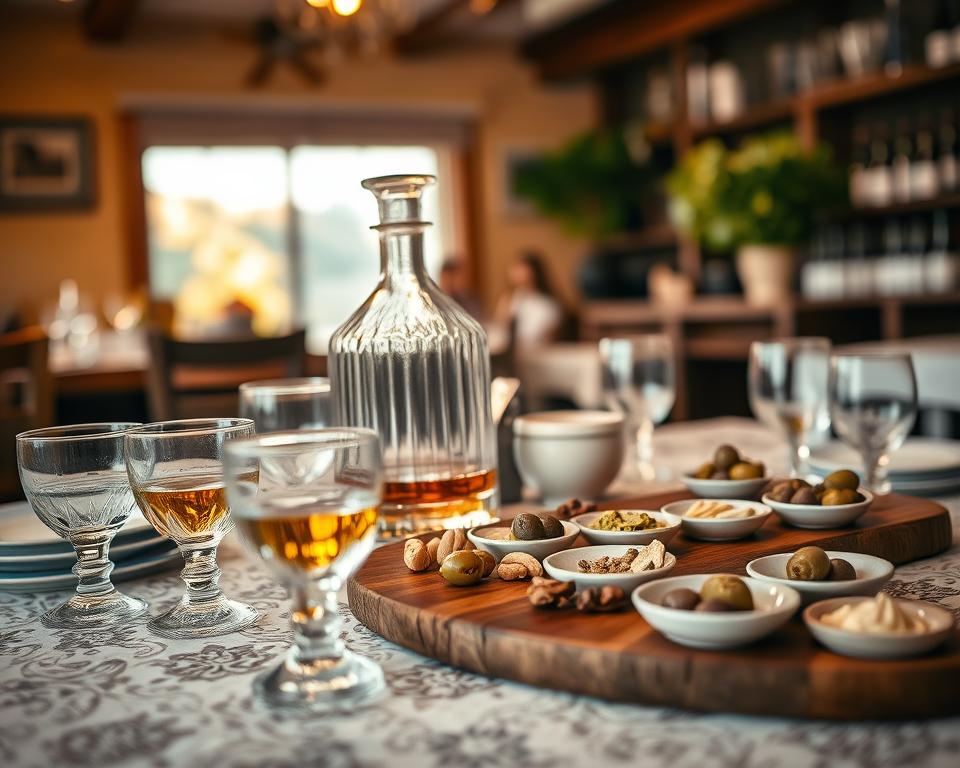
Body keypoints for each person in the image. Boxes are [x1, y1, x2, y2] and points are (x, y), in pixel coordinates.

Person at [493, 251, 565, 353]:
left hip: (538, 354)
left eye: (521, 269)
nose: (516, 273)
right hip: (513, 353)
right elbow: (500, 329)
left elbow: (548, 337)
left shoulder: (547, 304)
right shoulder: (510, 300)